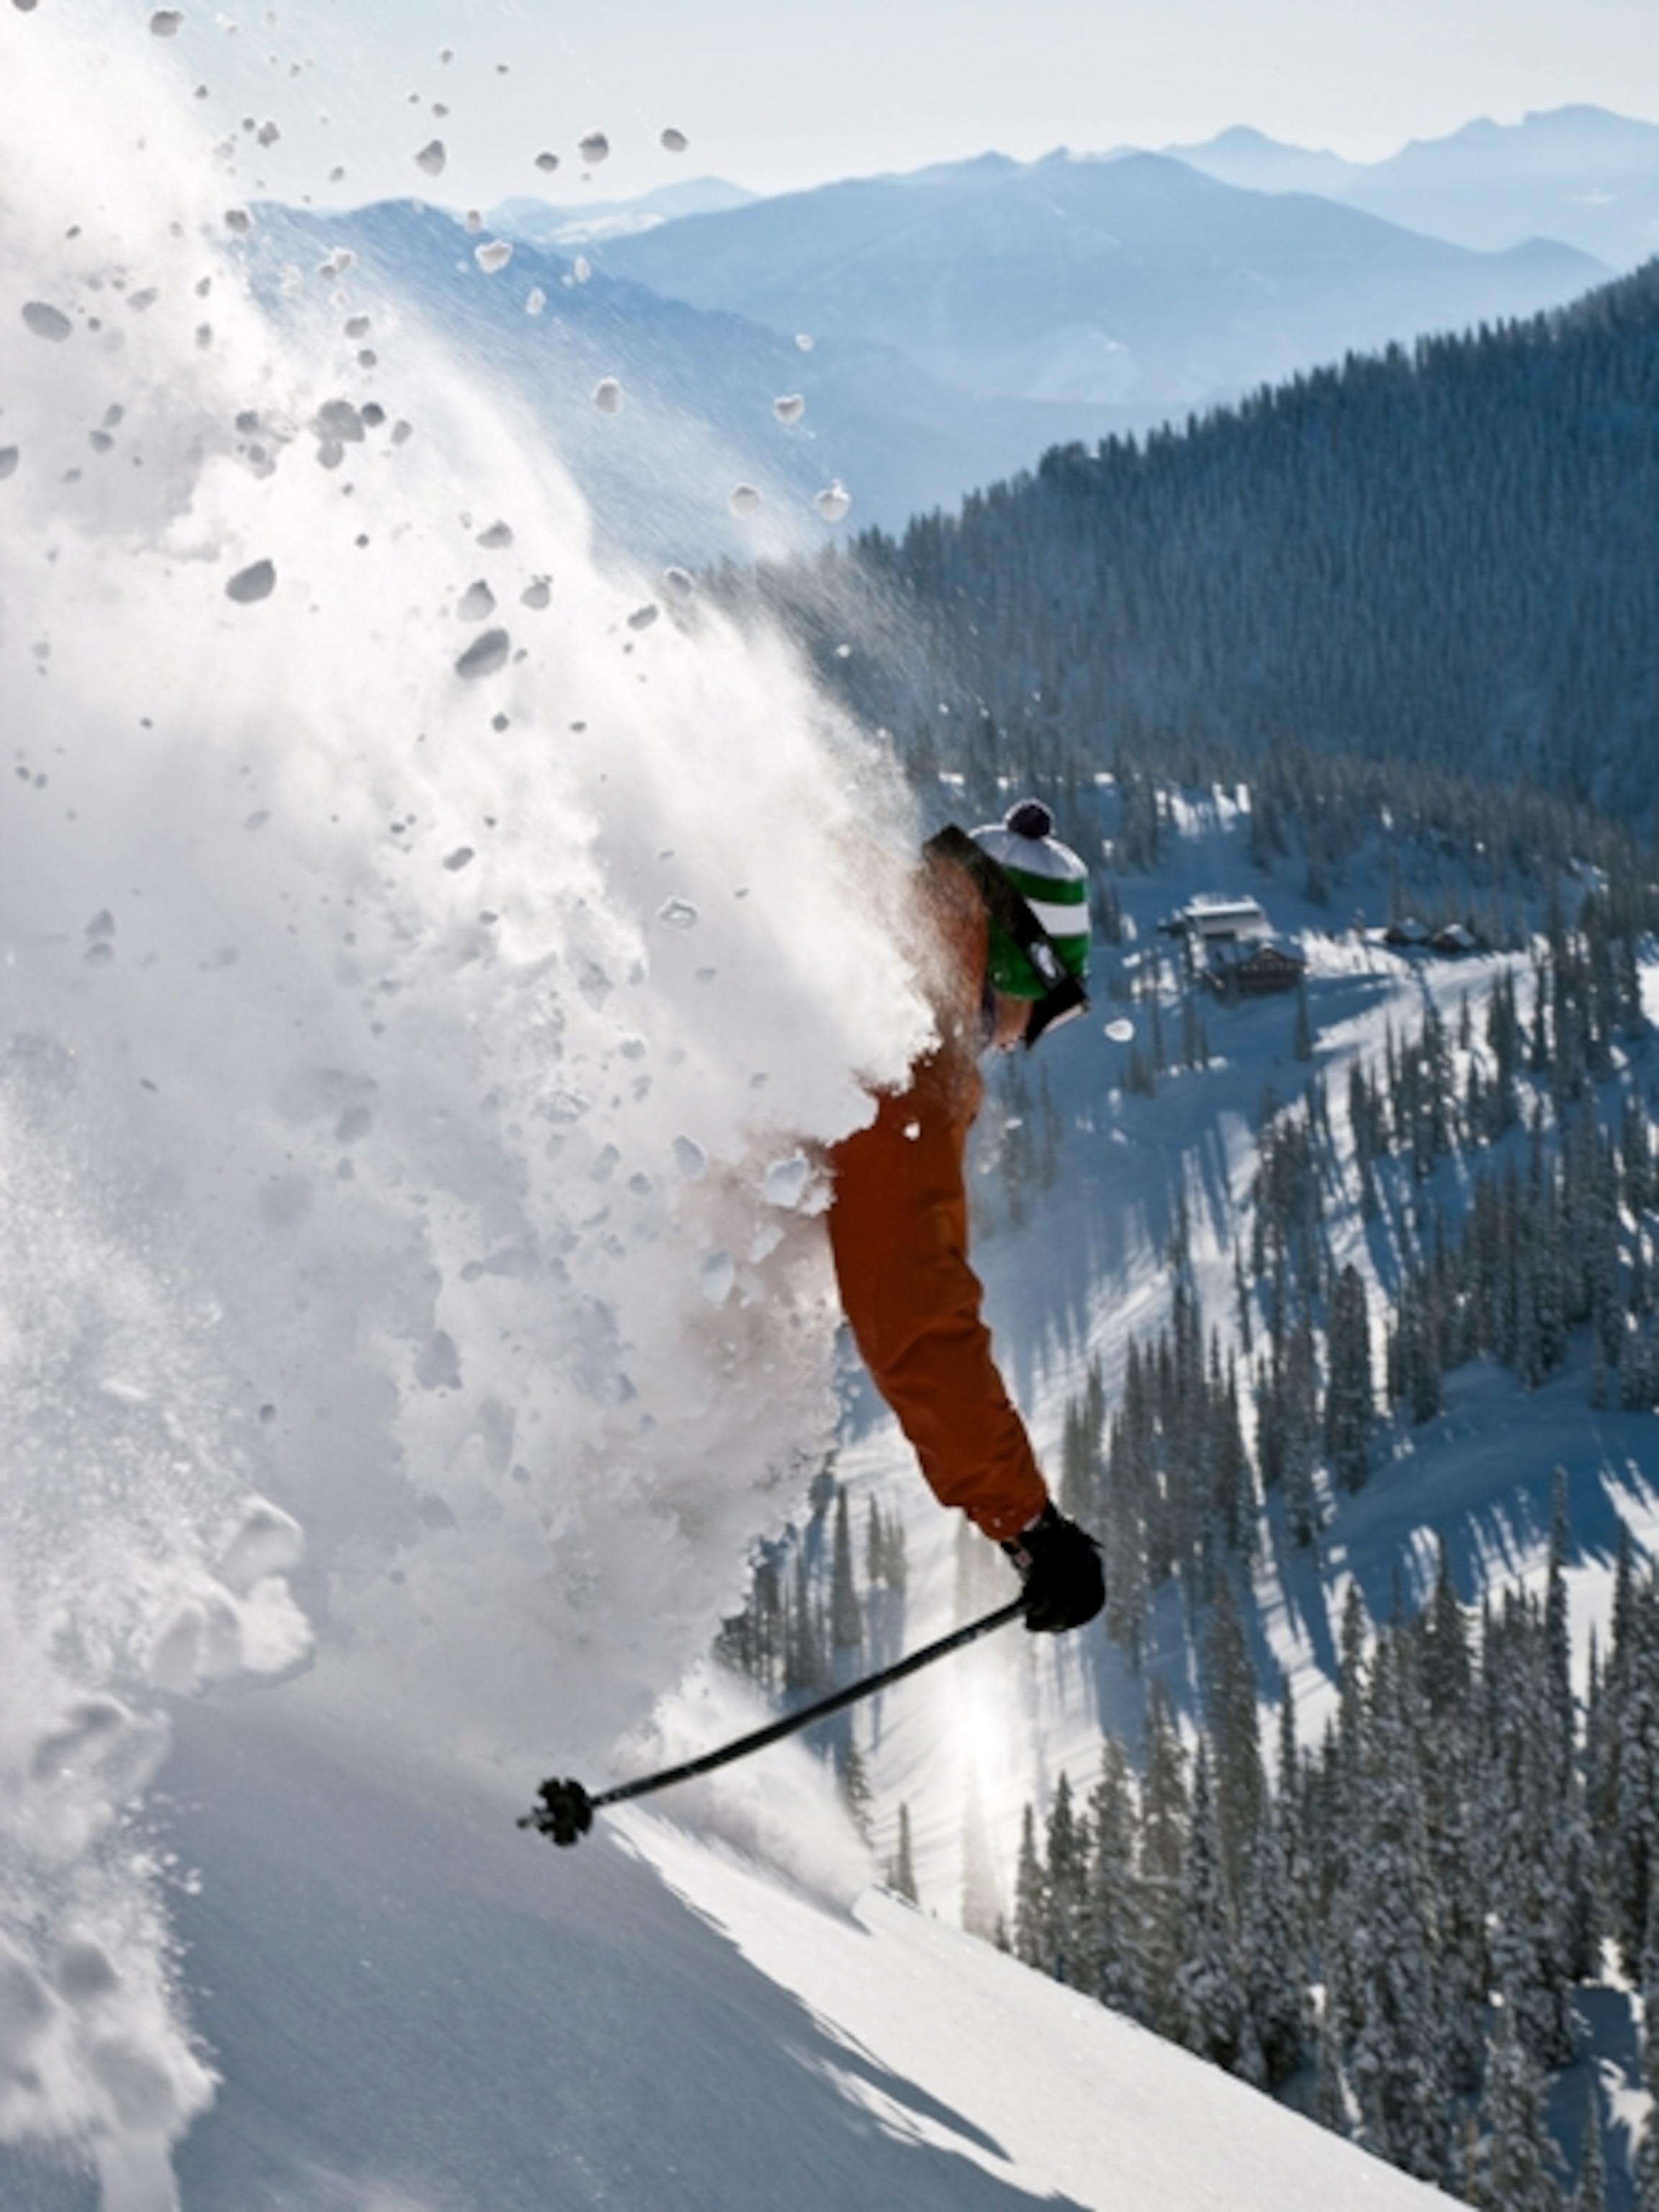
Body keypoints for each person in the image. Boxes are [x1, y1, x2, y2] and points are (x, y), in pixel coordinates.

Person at [827, 799, 1105, 1634]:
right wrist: (1029, 1526)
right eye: (1046, 1013)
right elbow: (913, 1309)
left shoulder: (854, 898)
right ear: (1020, 963)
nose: (1018, 1045)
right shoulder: (911, 1054)